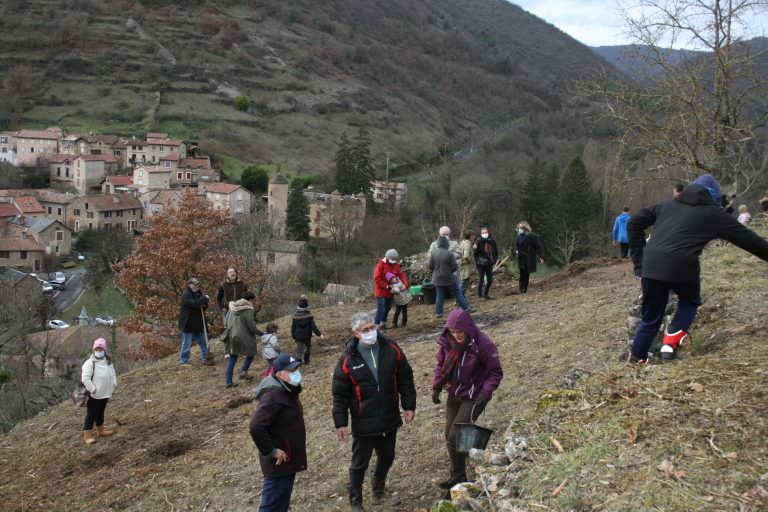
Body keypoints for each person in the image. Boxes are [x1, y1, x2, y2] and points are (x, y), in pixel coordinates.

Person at [628, 174, 768, 363]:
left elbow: (634, 222)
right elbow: (751, 241)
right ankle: (669, 345)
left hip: (651, 265)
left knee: (651, 317)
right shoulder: (714, 214)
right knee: (689, 300)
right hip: (682, 265)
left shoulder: (668, 205)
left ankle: (637, 360)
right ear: (715, 198)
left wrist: (639, 261)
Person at [332, 312, 417, 511]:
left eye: (373, 327)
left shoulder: (392, 349)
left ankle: (378, 490)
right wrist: (341, 422)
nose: (371, 332)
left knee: (387, 457)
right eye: (365, 330)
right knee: (359, 464)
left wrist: (409, 405)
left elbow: (405, 377)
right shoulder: (347, 360)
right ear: (355, 334)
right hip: (364, 421)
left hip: (389, 416)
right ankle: (356, 501)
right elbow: (339, 394)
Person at [432, 309, 503, 489]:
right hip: (455, 392)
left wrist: (485, 393)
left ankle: (459, 476)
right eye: (453, 332)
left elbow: (495, 372)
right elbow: (441, 365)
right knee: (449, 435)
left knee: (455, 436)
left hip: (474, 395)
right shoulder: (448, 342)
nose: (456, 336)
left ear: (468, 329)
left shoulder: (483, 344)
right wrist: (437, 386)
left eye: (460, 332)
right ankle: (469, 459)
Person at [250, 354, 307, 512]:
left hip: (288, 460)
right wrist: (272, 451)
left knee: (281, 503)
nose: (297, 372)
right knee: (271, 506)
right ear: (280, 374)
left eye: (297, 368)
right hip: (278, 463)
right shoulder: (272, 396)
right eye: (292, 370)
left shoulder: (287, 390)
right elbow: (256, 427)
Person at [81, 338, 118, 445]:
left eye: (101, 349)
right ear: (94, 350)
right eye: (97, 349)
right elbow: (85, 379)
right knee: (91, 414)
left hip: (106, 393)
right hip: (95, 395)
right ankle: (87, 435)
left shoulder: (108, 361)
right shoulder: (89, 363)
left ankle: (100, 430)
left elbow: (112, 373)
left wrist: (114, 384)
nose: (99, 351)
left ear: (104, 350)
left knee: (101, 412)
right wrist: (93, 390)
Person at [224, 291, 263, 387]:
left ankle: (229, 382)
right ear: (250, 300)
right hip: (244, 337)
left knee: (232, 358)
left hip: (232, 336)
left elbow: (226, 322)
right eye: (253, 301)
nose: (253, 303)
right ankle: (243, 372)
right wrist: (262, 333)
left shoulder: (232, 308)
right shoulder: (248, 309)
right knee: (251, 353)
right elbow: (252, 327)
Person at [428, 226, 470, 309]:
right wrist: (442, 255)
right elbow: (429, 255)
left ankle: (462, 307)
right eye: (444, 234)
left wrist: (448, 255)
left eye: (447, 234)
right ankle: (440, 312)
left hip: (452, 273)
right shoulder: (434, 244)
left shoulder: (454, 243)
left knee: (458, 291)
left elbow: (459, 254)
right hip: (439, 272)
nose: (446, 236)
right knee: (440, 294)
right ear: (440, 234)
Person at [178, 277, 214, 367]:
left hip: (198, 323)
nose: (195, 286)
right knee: (187, 343)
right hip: (188, 323)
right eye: (193, 284)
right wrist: (204, 299)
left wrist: (205, 303)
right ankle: (183, 361)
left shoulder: (198, 293)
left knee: (203, 341)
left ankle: (206, 357)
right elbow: (194, 304)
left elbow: (202, 307)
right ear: (189, 285)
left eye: (197, 284)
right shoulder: (186, 294)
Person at [217, 267, 249, 359]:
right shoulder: (223, 285)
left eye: (233, 272)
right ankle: (227, 351)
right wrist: (222, 307)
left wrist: (246, 305)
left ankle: (242, 350)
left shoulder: (242, 284)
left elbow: (246, 296)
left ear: (236, 273)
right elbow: (219, 298)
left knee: (242, 330)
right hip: (227, 310)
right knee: (228, 330)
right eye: (230, 272)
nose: (232, 273)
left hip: (240, 309)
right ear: (227, 274)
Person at [373, 249, 408, 329]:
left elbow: (401, 275)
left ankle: (383, 323)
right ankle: (376, 325)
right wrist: (386, 286)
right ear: (387, 257)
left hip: (391, 291)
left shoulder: (396, 265)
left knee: (388, 307)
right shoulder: (381, 265)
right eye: (392, 259)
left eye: (395, 259)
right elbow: (377, 278)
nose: (394, 261)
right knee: (381, 308)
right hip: (381, 291)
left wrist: (405, 284)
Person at [291, 296, 324, 364]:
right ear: (306, 306)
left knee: (299, 349)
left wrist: (293, 335)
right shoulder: (309, 316)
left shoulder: (295, 316)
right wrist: (319, 334)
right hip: (307, 336)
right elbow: (313, 327)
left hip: (298, 336)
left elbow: (293, 327)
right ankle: (306, 360)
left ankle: (298, 361)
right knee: (308, 348)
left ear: (299, 306)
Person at [515, 221, 544, 294]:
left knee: (526, 274)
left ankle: (524, 289)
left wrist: (541, 256)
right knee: (521, 274)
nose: (519, 230)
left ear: (525, 229)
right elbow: (517, 246)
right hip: (521, 258)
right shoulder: (519, 237)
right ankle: (521, 289)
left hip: (529, 258)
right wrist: (517, 251)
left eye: (521, 228)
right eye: (519, 228)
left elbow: (539, 247)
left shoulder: (533, 236)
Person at [474, 227, 498, 299]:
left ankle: (486, 294)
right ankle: (480, 295)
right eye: (483, 233)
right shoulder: (478, 242)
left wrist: (494, 260)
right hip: (480, 264)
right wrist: (477, 261)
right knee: (481, 279)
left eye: (485, 232)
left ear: (489, 232)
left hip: (489, 263)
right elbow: (475, 253)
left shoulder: (492, 241)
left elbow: (496, 252)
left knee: (490, 280)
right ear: (481, 234)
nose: (484, 234)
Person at [459, 231, 476, 297]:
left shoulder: (462, 243)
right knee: (464, 283)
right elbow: (466, 255)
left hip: (462, 266)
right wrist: (469, 260)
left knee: (464, 283)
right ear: (470, 236)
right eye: (473, 235)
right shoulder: (468, 244)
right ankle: (459, 299)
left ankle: (461, 299)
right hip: (467, 267)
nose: (474, 237)